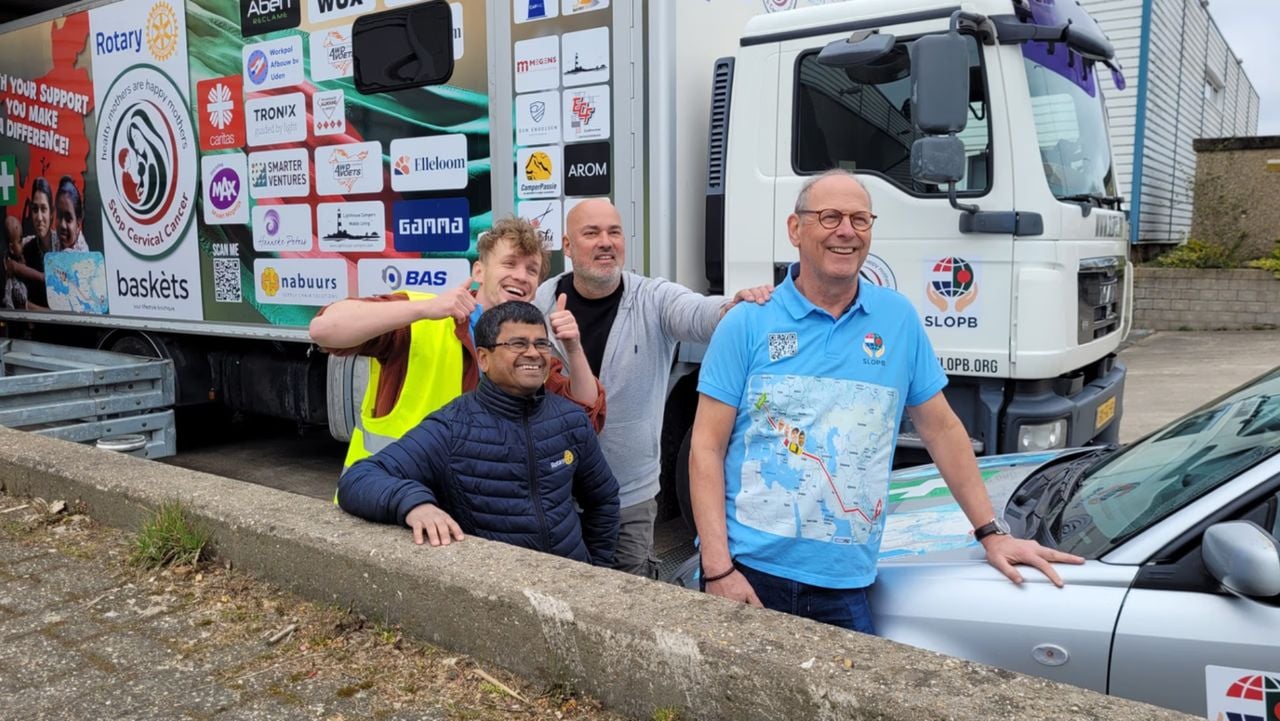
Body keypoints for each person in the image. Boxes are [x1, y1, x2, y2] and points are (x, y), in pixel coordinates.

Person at [689, 169, 1083, 633]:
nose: (846, 231)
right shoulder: (747, 323)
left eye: (860, 219)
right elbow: (706, 448)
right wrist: (717, 569)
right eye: (829, 216)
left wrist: (991, 532)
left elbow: (942, 430)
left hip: (845, 582)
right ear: (795, 230)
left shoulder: (898, 320)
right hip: (750, 573)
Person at [534, 198, 771, 578]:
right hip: (555, 492)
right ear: (567, 245)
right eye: (591, 233)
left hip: (626, 497)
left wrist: (733, 308)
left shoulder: (652, 298)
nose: (606, 242)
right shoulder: (543, 298)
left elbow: (698, 313)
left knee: (629, 605)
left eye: (613, 232)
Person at [310, 216, 605, 472]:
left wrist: (573, 348)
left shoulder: (530, 346)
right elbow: (324, 329)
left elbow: (585, 415)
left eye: (531, 270)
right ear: (479, 272)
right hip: (388, 502)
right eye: (509, 263)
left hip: (467, 512)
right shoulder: (422, 314)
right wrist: (423, 311)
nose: (520, 275)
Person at [338, 301, 620, 566]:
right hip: (497, 593)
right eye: (517, 344)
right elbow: (359, 479)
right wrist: (414, 504)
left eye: (541, 344)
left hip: (569, 584)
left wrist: (596, 569)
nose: (534, 353)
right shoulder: (452, 428)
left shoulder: (570, 419)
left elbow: (603, 499)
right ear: (483, 358)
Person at [11, 177, 53, 309]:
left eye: (44, 209)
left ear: (52, 212)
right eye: (35, 210)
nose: (39, 218)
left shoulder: (63, 249)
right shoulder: (26, 249)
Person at [52, 176, 89, 252]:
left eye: (68, 219)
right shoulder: (53, 240)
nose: (62, 225)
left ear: (78, 225)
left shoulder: (83, 256)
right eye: (59, 216)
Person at [3, 216, 30, 310]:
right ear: (11, 248)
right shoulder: (9, 263)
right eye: (20, 241)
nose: (22, 244)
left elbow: (28, 239)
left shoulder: (19, 250)